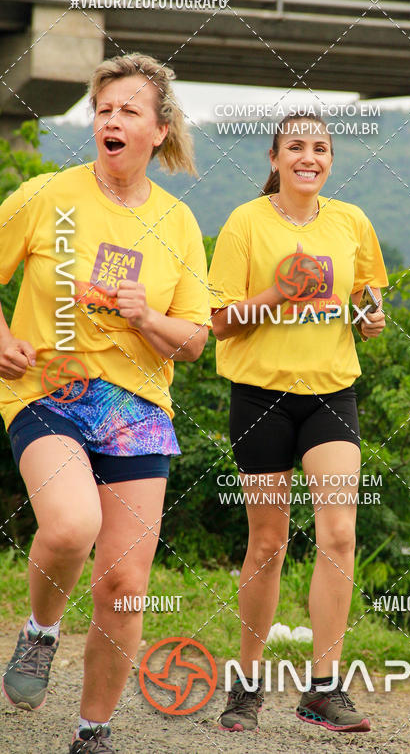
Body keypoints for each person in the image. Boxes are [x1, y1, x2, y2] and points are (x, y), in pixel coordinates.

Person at [0, 53, 211, 753]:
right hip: (50, 386)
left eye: (128, 110)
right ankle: (40, 632)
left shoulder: (178, 223)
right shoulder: (46, 196)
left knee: (123, 585)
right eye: (105, 109)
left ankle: (93, 734)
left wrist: (148, 318)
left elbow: (194, 340)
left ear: (159, 129)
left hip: (138, 408)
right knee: (69, 526)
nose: (111, 120)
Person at [208, 111, 387, 733]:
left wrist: (369, 316)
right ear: (275, 157)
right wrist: (276, 295)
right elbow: (220, 320)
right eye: (296, 147)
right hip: (261, 397)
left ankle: (322, 688)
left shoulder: (351, 221)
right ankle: (248, 685)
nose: (309, 156)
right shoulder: (246, 222)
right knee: (268, 541)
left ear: (330, 159)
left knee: (339, 534)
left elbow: (368, 294)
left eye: (321, 148)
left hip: (332, 395)